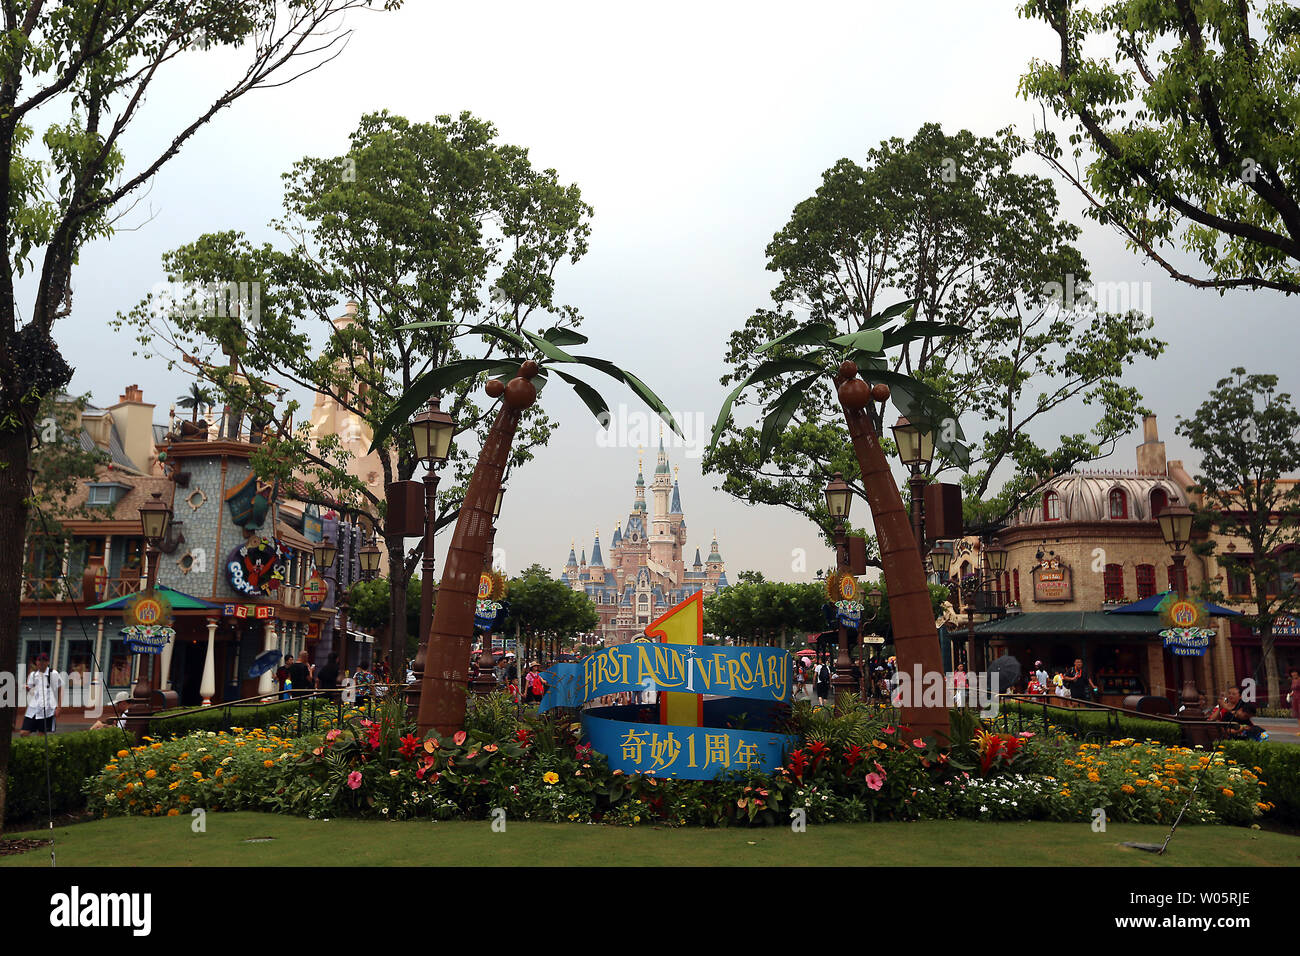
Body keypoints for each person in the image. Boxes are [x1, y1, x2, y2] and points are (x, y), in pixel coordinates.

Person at [21, 652, 62, 736]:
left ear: (47, 662)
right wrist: (27, 689)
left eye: (44, 660)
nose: (41, 663)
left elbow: (59, 689)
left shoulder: (53, 674)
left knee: (41, 735)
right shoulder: (33, 675)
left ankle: (38, 749)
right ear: (36, 662)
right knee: (24, 733)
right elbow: (31, 691)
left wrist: (59, 707)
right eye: (39, 660)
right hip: (33, 708)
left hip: (47, 710)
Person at [1289, 668, 1300, 732]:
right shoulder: (1293, 681)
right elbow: (1293, 690)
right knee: (1298, 715)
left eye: (1295, 672)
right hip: (1295, 699)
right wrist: (1290, 694)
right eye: (1292, 673)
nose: (1293, 674)